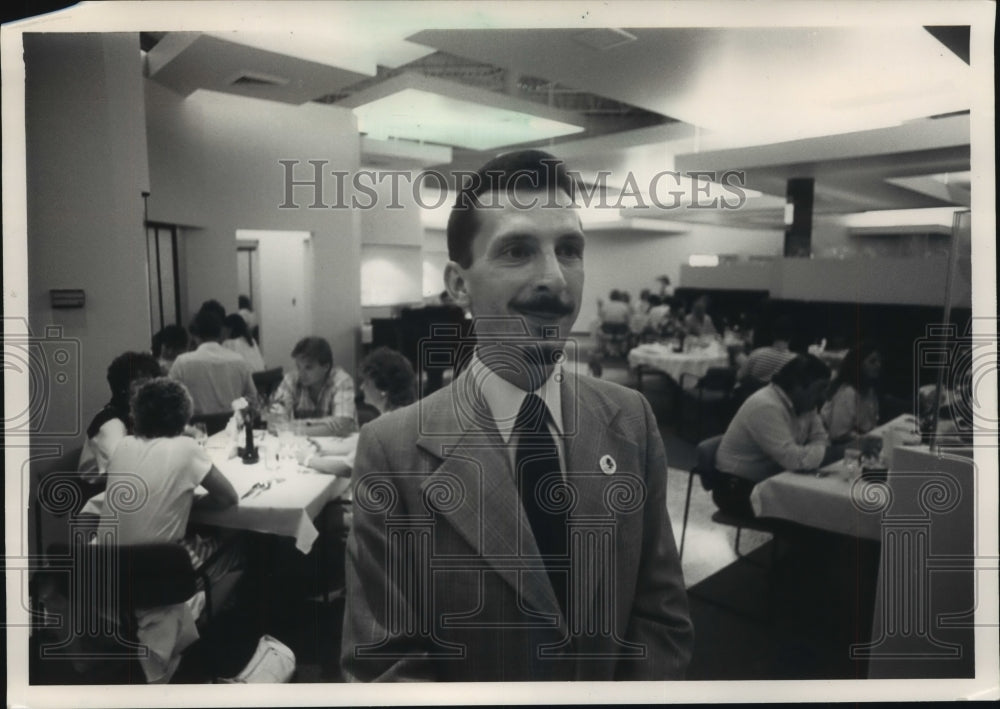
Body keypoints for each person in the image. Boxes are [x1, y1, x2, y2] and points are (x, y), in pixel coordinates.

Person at [342, 150, 693, 682]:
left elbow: (660, 618)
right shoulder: (393, 450)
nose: (555, 278)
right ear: (459, 285)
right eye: (518, 251)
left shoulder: (630, 421)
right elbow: (386, 667)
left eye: (569, 250)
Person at [96, 377, 240, 682]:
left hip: (111, 571)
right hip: (162, 574)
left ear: (137, 415)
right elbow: (229, 497)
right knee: (239, 543)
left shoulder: (123, 447)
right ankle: (218, 637)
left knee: (181, 542)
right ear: (183, 416)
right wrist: (190, 505)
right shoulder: (187, 448)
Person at [714, 355, 854, 517]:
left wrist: (808, 455)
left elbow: (821, 438)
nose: (823, 396)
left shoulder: (806, 403)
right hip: (736, 489)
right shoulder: (766, 405)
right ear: (797, 386)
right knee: (817, 513)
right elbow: (793, 459)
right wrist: (844, 451)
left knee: (826, 508)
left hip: (772, 479)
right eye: (820, 389)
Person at [77, 351, 163, 483]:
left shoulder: (142, 414)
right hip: (98, 493)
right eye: (141, 384)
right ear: (122, 389)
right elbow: (122, 469)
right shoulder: (111, 424)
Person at [169, 310, 258, 416]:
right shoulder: (239, 360)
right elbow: (252, 399)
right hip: (232, 427)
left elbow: (169, 400)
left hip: (197, 427)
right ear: (220, 332)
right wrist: (233, 408)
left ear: (194, 334)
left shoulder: (182, 363)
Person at [270, 336, 356, 436]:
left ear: (326, 367)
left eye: (308, 367)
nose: (301, 373)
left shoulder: (341, 381)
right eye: (298, 366)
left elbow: (342, 427)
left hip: (340, 448)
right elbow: (274, 423)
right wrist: (321, 422)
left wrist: (292, 427)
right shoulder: (290, 380)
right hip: (304, 447)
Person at [821, 343, 883, 443]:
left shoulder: (870, 390)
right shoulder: (847, 392)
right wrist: (866, 439)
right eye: (872, 361)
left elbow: (870, 424)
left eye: (879, 361)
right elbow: (838, 434)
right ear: (858, 364)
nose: (878, 365)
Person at [736, 315, 797, 389]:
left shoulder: (757, 353)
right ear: (792, 336)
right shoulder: (794, 360)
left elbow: (739, 376)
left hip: (753, 397)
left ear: (772, 333)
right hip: (776, 399)